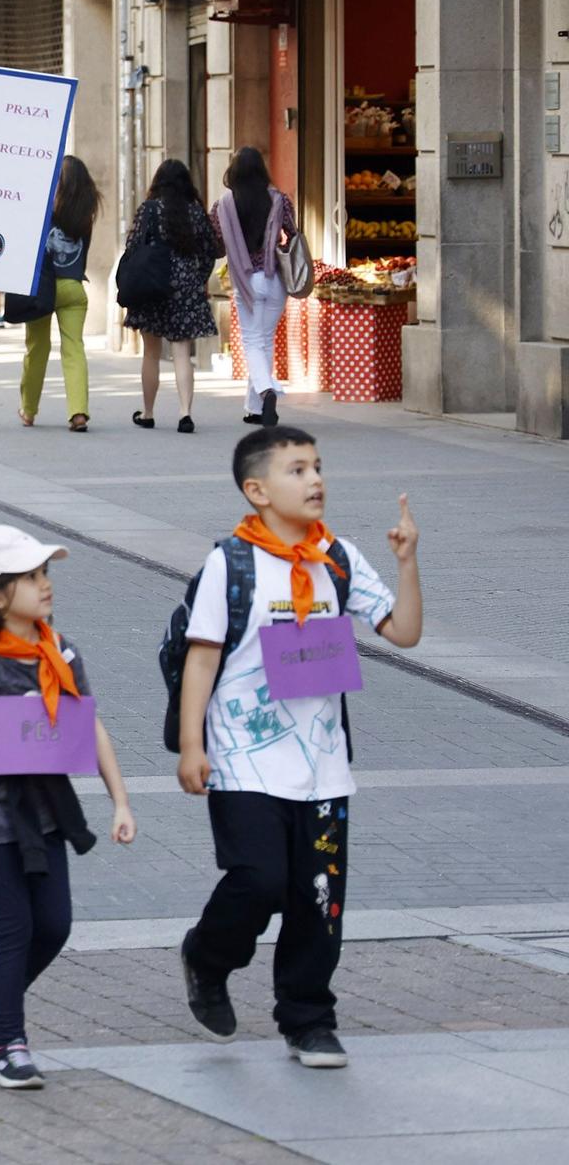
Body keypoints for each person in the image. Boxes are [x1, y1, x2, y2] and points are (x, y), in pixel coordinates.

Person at [176, 426, 421, 1070]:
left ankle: (308, 1019)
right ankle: (208, 956)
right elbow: (201, 659)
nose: (314, 480)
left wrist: (406, 562)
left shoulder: (336, 556)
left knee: (318, 897)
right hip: (240, 758)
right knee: (258, 881)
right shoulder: (230, 564)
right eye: (296, 470)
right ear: (256, 490)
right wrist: (190, 744)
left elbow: (404, 632)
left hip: (323, 768)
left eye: (317, 466)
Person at [0, 525, 136, 1090]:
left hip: (46, 811)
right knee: (15, 925)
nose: (45, 585)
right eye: (31, 577)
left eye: (45, 574)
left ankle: (1, 988)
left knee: (55, 925)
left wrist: (120, 801)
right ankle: (7, 1045)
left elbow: (92, 725)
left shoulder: (60, 652)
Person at [126, 159, 223, 433]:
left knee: (151, 353)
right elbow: (210, 250)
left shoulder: (150, 209)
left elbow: (133, 246)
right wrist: (196, 277)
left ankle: (147, 412)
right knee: (182, 352)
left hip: (153, 285)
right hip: (185, 287)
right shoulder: (194, 210)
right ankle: (185, 413)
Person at [215, 147, 299, 428]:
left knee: (252, 341)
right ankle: (256, 408)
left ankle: (266, 391)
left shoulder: (223, 205)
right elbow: (293, 233)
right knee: (264, 340)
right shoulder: (279, 200)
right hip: (275, 278)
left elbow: (215, 241)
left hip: (246, 279)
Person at [19, 154, 100, 432]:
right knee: (74, 348)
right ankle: (78, 412)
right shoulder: (85, 214)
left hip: (43, 287)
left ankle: (28, 410)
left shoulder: (43, 210)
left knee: (37, 348)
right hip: (74, 287)